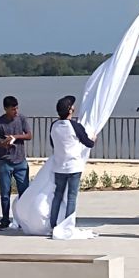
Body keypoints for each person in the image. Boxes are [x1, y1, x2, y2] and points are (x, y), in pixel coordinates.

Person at [49, 95, 95, 232]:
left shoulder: (54, 125)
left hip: (59, 165)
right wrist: (94, 138)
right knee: (71, 197)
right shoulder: (75, 126)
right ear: (70, 110)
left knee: (57, 195)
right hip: (74, 166)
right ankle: (68, 225)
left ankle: (53, 223)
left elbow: (53, 143)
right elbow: (88, 143)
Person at [0, 95, 32, 230]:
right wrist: (0, 143)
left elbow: (29, 135)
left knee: (24, 193)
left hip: (20, 161)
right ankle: (5, 219)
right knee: (5, 193)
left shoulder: (22, 119)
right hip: (5, 162)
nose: (16, 111)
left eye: (17, 108)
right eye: (13, 109)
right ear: (6, 109)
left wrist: (15, 137)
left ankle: (23, 219)